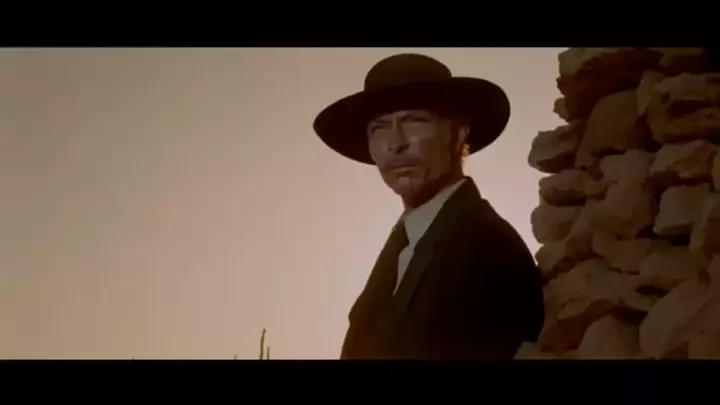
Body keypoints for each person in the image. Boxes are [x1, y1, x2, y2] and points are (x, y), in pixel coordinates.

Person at [313, 53, 545, 360]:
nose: (396, 143)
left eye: (415, 121)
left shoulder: (488, 244)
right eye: (379, 128)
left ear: (459, 133)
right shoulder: (402, 246)